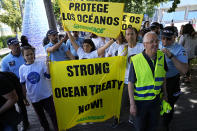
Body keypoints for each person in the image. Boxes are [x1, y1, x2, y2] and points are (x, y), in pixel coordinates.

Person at [128, 32, 168, 131]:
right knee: (140, 128)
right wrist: (132, 104)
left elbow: (163, 77)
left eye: (156, 41)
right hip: (140, 103)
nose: (155, 44)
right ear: (144, 44)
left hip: (156, 101)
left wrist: (165, 94)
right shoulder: (136, 60)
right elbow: (131, 83)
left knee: (153, 127)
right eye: (151, 42)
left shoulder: (161, 56)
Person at [19, 46, 58, 131]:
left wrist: (47, 65)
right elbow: (22, 84)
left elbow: (48, 76)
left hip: (46, 95)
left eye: (31, 54)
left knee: (53, 115)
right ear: (23, 56)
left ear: (34, 53)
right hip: (34, 98)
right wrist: (24, 98)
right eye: (27, 55)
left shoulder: (40, 63)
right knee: (41, 117)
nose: (30, 56)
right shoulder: (22, 69)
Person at [160, 26, 188, 131]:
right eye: (162, 38)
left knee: (169, 103)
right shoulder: (157, 43)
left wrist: (171, 56)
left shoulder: (180, 49)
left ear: (175, 38)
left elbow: (184, 70)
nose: (164, 41)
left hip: (171, 80)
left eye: (168, 39)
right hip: (158, 79)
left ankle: (165, 124)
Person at [116, 27, 144, 127]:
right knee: (122, 103)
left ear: (136, 35)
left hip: (140, 80)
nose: (130, 36)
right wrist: (123, 53)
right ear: (125, 36)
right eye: (127, 34)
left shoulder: (142, 47)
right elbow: (119, 65)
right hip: (126, 80)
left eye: (132, 34)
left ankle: (133, 118)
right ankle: (117, 119)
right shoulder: (121, 47)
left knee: (137, 102)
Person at [1, 37, 30, 131]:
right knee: (21, 106)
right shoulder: (5, 60)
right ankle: (25, 123)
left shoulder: (25, 54)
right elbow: (4, 75)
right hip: (17, 86)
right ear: (9, 47)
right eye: (14, 45)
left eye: (18, 44)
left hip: (31, 82)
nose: (17, 47)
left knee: (38, 102)